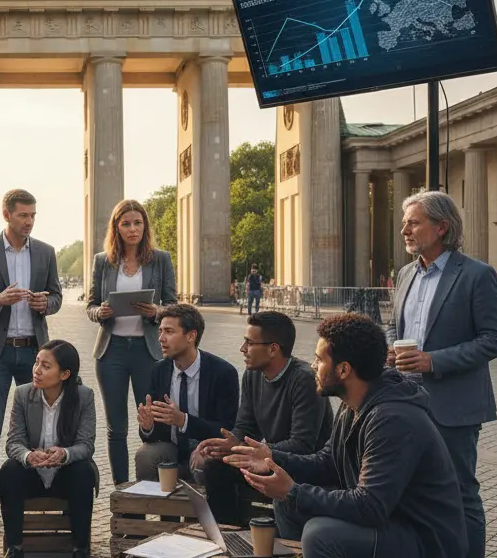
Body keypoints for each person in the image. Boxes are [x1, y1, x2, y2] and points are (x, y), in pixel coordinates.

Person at [226, 313, 467, 558]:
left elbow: (370, 505)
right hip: (391, 523)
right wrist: (271, 457)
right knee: (287, 505)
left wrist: (293, 491)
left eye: (319, 360)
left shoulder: (392, 418)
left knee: (319, 533)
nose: (312, 366)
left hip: (425, 540)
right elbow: (328, 462)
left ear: (343, 370)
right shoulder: (354, 403)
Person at [385, 190, 497, 558]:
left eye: (413, 222)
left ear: (442, 227)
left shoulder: (476, 274)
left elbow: (496, 339)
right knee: (413, 489)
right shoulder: (406, 273)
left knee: (459, 493)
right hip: (408, 401)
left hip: (454, 406)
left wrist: (433, 361)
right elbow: (393, 325)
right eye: (404, 223)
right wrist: (394, 348)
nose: (405, 230)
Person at [0, 188, 63, 526]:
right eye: (23, 215)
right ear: (6, 215)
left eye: (33, 215)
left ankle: (36, 493)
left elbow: (58, 296)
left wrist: (45, 303)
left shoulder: (47, 252)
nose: (29, 221)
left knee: (39, 427)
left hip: (35, 353)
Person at [193, 311, 332, 527]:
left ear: (273, 348)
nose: (242, 349)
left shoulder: (304, 379)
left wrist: (258, 452)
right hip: (266, 459)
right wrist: (228, 445)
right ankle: (228, 535)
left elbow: (304, 445)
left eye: (249, 343)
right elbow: (244, 427)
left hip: (301, 468)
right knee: (215, 465)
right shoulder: (253, 374)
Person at [86, 199, 177, 485]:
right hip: (110, 350)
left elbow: (172, 304)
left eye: (137, 223)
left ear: (145, 226)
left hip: (147, 351)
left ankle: (150, 489)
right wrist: (100, 312)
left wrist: (157, 312)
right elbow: (90, 305)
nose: (132, 229)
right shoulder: (103, 260)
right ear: (117, 227)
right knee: (117, 428)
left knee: (151, 422)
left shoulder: (160, 259)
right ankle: (122, 492)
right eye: (126, 223)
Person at [0, 340, 97, 558]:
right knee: (9, 470)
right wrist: (28, 456)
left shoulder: (84, 396)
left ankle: (80, 549)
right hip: (32, 474)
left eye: (46, 366)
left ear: (64, 374)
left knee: (83, 471)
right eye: (37, 363)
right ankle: (14, 547)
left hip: (66, 474)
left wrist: (65, 454)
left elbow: (86, 445)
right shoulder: (23, 394)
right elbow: (13, 442)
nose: (37, 370)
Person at [134, 304, 239, 480]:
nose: (161, 338)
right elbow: (154, 433)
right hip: (172, 447)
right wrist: (148, 426)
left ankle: (208, 507)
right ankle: (151, 506)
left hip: (207, 446)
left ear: (191, 336)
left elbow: (225, 429)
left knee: (205, 461)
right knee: (146, 455)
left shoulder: (223, 373)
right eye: (160, 331)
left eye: (169, 331)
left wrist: (183, 420)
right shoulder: (159, 370)